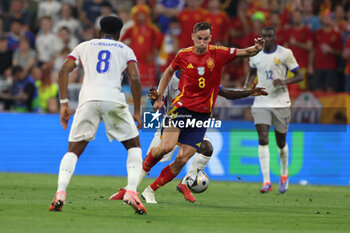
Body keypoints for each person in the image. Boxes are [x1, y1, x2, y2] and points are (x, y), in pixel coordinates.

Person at [111, 22, 264, 204]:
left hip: (201, 117)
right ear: (193, 36)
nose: (202, 42)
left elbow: (244, 52)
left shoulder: (218, 53)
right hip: (181, 111)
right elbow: (168, 71)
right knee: (165, 148)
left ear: (210, 37)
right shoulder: (183, 55)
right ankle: (130, 188)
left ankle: (150, 190)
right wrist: (159, 97)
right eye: (199, 38)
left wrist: (257, 48)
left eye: (206, 39)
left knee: (183, 159)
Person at [49, 16, 147, 215]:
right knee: (133, 146)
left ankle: (60, 193)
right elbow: (135, 78)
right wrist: (137, 111)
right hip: (113, 100)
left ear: (100, 31)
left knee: (73, 151)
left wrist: (64, 103)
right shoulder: (125, 50)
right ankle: (131, 191)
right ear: (119, 34)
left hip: (88, 101)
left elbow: (63, 70)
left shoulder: (85, 46)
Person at [244, 26, 303, 194]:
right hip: (261, 101)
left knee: (281, 142)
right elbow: (252, 72)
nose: (267, 39)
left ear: (275, 37)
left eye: (270, 36)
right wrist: (246, 85)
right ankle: (266, 181)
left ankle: (284, 174)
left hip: (281, 103)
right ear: (261, 38)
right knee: (263, 138)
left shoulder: (285, 53)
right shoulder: (255, 55)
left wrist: (284, 81)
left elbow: (299, 76)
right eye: (264, 36)